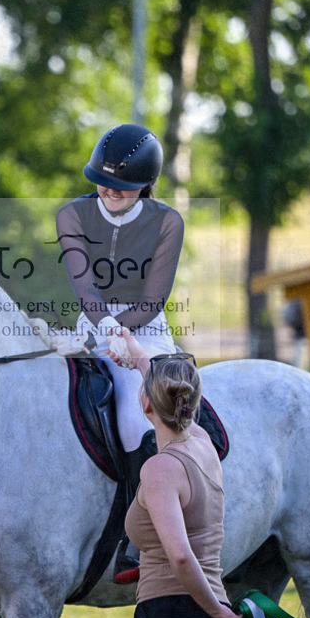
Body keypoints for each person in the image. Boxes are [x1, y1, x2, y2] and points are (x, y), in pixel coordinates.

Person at [112, 328, 244, 618]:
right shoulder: (204, 442)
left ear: (146, 405)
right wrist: (135, 350)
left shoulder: (160, 469)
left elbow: (181, 559)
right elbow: (162, 386)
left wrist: (217, 616)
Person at [55, 123, 185, 577]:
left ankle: (141, 536)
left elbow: (153, 300)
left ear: (145, 185)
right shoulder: (72, 215)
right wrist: (107, 329)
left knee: (134, 413)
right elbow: (85, 289)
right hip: (91, 326)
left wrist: (123, 335)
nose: (109, 191)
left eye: (122, 187)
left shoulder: (167, 222)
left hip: (146, 332)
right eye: (102, 181)